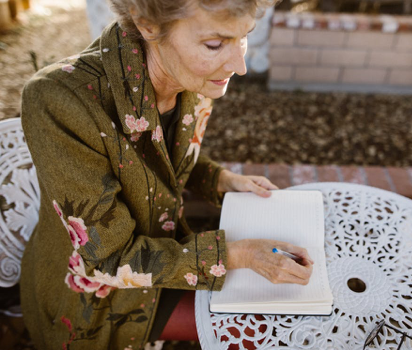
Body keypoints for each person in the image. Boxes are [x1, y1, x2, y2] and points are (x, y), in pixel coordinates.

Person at [19, 0, 314, 348]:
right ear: (147, 25)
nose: (240, 65)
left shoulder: (192, 70)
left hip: (173, 254)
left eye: (244, 38)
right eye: (215, 44)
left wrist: (218, 179)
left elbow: (160, 156)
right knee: (258, 331)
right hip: (98, 305)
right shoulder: (58, 100)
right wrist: (239, 255)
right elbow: (108, 258)